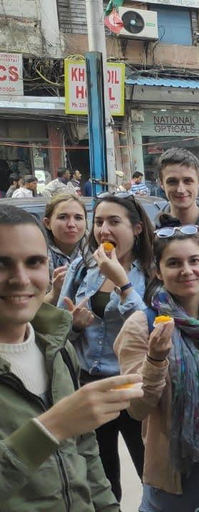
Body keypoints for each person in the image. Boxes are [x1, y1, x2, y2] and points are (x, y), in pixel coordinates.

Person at [0, 204, 143, 511]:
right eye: (2, 263)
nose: (20, 278)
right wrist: (50, 428)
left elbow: (86, 455)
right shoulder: (85, 272)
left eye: (34, 262)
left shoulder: (57, 350)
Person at [115, 215, 199, 511]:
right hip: (175, 474)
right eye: (174, 263)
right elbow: (137, 409)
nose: (187, 271)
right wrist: (156, 358)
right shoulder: (142, 326)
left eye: (194, 261)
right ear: (158, 272)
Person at [57, 192, 156, 501]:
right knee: (100, 480)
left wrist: (122, 283)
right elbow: (58, 328)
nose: (104, 231)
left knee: (149, 475)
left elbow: (152, 329)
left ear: (137, 228)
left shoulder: (152, 271)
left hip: (131, 388)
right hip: (89, 387)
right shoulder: (83, 267)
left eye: (115, 222)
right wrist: (73, 325)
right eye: (99, 222)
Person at [43, 194, 88, 305]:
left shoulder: (98, 254)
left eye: (78, 218)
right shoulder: (35, 254)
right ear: (48, 223)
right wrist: (55, 293)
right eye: (63, 217)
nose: (71, 224)